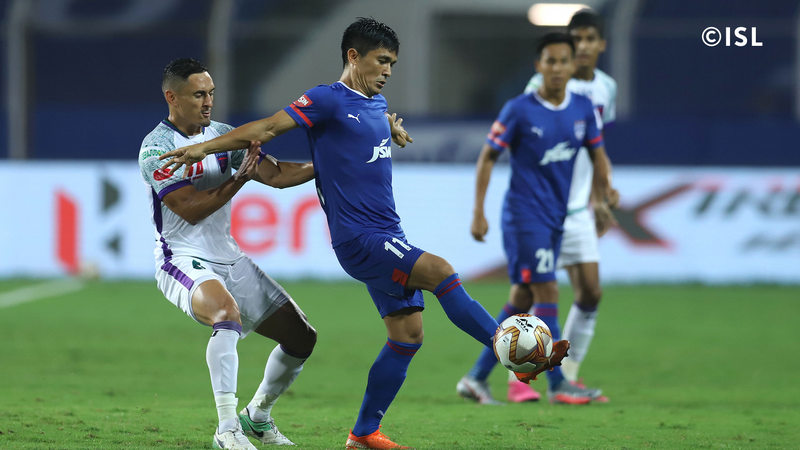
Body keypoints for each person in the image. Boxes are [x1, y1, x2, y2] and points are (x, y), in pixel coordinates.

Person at [158, 19, 569, 450]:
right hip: (360, 238)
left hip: (387, 231)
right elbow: (266, 129)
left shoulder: (376, 104)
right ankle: (514, 355)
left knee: (407, 335)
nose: (388, 70)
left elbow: (356, 135)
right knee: (441, 272)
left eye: (392, 63)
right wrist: (204, 147)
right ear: (353, 57)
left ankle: (364, 433)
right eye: (381, 60)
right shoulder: (326, 99)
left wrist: (387, 128)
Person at [139, 58, 317, 449]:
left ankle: (257, 417)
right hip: (180, 258)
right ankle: (227, 429)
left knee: (302, 337)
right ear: (172, 97)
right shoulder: (156, 148)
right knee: (225, 314)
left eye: (211, 93)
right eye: (198, 94)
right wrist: (238, 180)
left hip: (229, 257)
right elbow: (189, 208)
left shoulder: (221, 136)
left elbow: (277, 175)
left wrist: (327, 163)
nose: (208, 102)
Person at [456, 32, 614, 406]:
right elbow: (488, 156)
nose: (557, 68)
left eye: (563, 61)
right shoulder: (519, 109)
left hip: (556, 218)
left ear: (573, 66)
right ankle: (558, 384)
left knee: (522, 297)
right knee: (547, 292)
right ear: (538, 65)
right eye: (550, 61)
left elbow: (598, 155)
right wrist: (478, 211)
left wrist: (604, 195)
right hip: (525, 217)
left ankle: (475, 378)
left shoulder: (582, 109)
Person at [511, 9, 619, 403]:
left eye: (590, 38)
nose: (583, 46)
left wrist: (600, 196)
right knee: (528, 293)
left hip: (577, 209)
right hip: (541, 207)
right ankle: (518, 378)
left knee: (590, 292)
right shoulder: (545, 84)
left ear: (601, 44)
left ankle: (567, 375)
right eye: (577, 39)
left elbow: (596, 149)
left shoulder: (606, 88)